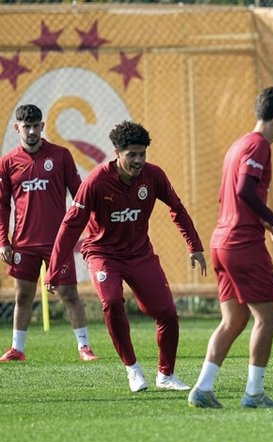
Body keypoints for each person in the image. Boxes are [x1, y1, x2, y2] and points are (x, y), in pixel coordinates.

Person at [45, 120, 207, 393]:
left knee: (167, 313)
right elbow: (71, 225)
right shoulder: (96, 181)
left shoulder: (153, 177)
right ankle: (132, 369)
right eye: (132, 154)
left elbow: (176, 208)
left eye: (142, 153)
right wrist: (54, 269)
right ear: (117, 153)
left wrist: (195, 245)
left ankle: (166, 375)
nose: (138, 160)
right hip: (103, 254)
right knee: (111, 302)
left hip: (140, 254)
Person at [187, 87, 273, 410]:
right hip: (242, 244)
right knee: (268, 317)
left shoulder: (238, 145)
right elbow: (244, 190)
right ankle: (254, 393)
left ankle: (203, 388)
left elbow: (231, 197)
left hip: (222, 241)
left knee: (233, 321)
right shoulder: (258, 145)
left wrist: (264, 223)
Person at [0, 104, 98, 362]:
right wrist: (3, 241)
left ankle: (84, 347)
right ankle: (17, 349)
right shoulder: (8, 162)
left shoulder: (61, 156)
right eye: (26, 126)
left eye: (35, 126)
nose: (31, 131)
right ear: (16, 128)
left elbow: (79, 194)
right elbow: (2, 204)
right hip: (23, 243)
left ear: (42, 127)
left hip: (58, 241)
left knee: (68, 294)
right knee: (23, 295)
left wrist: (91, 227)